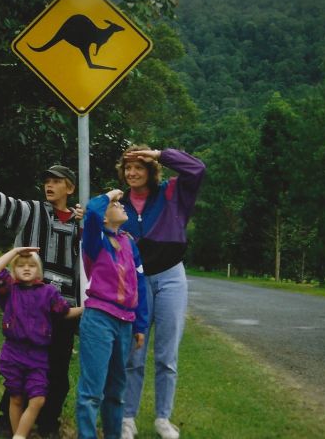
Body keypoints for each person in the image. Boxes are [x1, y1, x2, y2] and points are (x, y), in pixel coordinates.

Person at [0, 165, 83, 438]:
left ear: (70, 188)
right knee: (21, 365)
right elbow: (5, 205)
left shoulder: (82, 222)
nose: (49, 186)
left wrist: (88, 219)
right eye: (47, 181)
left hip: (63, 305)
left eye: (56, 182)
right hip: (30, 308)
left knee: (57, 369)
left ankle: (48, 424)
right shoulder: (32, 211)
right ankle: (7, 423)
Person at [117, 146, 205, 439]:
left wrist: (159, 153)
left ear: (151, 169)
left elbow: (197, 169)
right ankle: (127, 418)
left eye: (139, 167)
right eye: (128, 168)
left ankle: (162, 419)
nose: (132, 173)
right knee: (135, 354)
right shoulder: (118, 204)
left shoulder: (172, 192)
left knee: (167, 355)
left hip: (170, 278)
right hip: (136, 282)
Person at [75, 189, 148, 439]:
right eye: (116, 204)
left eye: (119, 202)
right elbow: (92, 211)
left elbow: (140, 284)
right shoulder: (95, 240)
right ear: (105, 218)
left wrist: (140, 325)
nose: (121, 205)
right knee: (92, 391)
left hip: (125, 323)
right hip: (99, 320)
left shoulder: (129, 242)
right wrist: (110, 194)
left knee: (116, 391)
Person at [0, 246, 84, 439]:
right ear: (14, 270)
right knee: (16, 397)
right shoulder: (9, 291)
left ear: (39, 270)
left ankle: (19, 435)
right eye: (21, 265)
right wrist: (16, 251)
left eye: (31, 265)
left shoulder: (48, 292)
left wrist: (87, 307)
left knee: (38, 399)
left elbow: (65, 312)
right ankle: (19, 435)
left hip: (38, 356)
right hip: (13, 354)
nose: (26, 268)